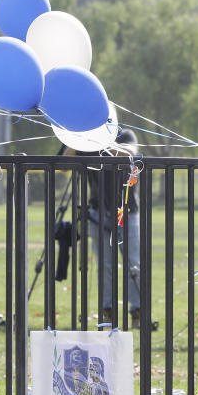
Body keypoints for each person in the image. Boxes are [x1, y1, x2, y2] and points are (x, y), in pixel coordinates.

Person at [69, 128, 150, 329]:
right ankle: (108, 311)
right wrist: (78, 136)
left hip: (127, 211)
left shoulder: (125, 134)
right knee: (105, 265)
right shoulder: (85, 137)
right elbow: (64, 160)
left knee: (134, 264)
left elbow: (129, 153)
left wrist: (99, 144)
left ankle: (138, 311)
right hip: (98, 212)